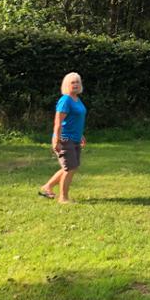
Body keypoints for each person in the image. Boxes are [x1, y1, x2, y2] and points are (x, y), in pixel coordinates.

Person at [39, 72, 87, 204]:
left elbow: (74, 120)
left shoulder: (77, 99)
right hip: (65, 139)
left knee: (72, 166)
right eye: (72, 82)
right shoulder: (65, 100)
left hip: (75, 138)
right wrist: (56, 140)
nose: (76, 85)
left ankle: (47, 187)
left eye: (77, 82)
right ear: (67, 85)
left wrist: (80, 134)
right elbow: (58, 123)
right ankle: (63, 198)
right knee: (69, 168)